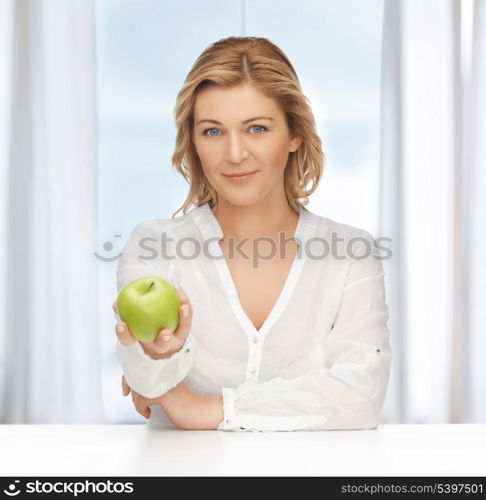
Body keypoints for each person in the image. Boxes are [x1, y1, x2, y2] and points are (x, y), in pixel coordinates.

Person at [113, 36, 392, 432]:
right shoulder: (154, 245)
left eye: (257, 128)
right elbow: (145, 381)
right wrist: (157, 356)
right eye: (212, 132)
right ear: (193, 142)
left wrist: (206, 408)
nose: (235, 154)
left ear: (294, 134)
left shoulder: (351, 254)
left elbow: (362, 394)